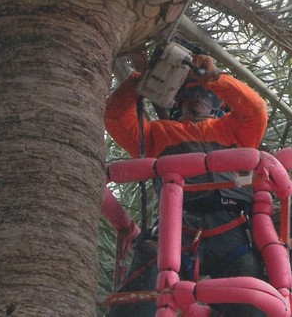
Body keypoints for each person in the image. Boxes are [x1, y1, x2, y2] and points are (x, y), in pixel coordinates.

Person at [105, 55, 269, 316]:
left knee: (248, 294)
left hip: (231, 229)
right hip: (177, 230)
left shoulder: (235, 129)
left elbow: (256, 109)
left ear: (218, 104)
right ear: (176, 102)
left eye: (204, 94)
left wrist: (215, 79)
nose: (195, 99)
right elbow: (115, 117)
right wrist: (141, 81)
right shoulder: (157, 134)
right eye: (188, 94)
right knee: (146, 275)